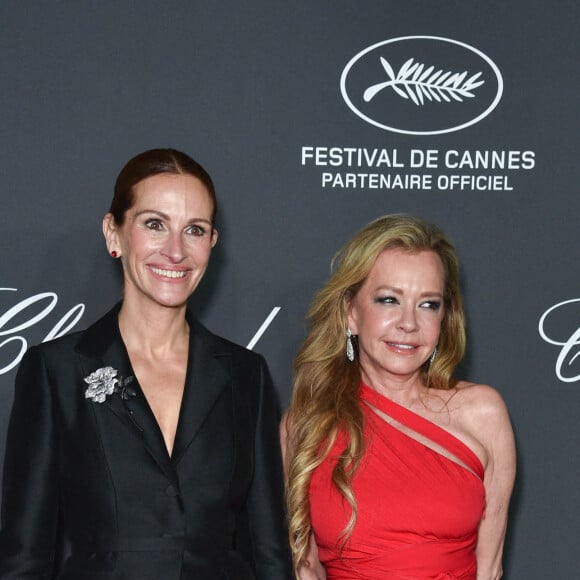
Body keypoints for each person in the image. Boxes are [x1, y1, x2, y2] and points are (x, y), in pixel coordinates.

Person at [0, 148, 293, 579]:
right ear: (113, 233)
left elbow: (268, 552)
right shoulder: (56, 371)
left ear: (211, 243)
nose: (175, 251)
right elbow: (24, 556)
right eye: (154, 224)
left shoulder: (245, 375)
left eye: (194, 229)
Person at [282, 214, 516, 580]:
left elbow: (490, 568)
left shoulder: (483, 413)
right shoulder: (307, 424)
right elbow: (304, 566)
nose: (409, 323)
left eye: (428, 304)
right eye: (389, 300)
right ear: (351, 313)